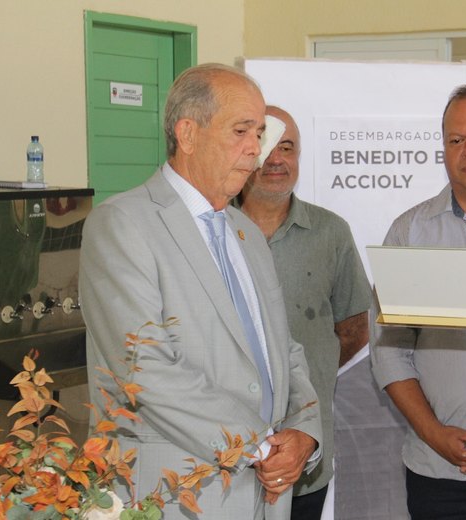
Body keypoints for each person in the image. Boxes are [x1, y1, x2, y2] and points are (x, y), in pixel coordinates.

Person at [80, 63, 323, 520]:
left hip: (266, 491)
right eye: (242, 131)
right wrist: (259, 446)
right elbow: (145, 367)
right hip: (173, 494)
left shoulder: (245, 232)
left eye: (260, 133)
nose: (257, 150)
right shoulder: (122, 224)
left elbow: (284, 350)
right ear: (187, 134)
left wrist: (304, 434)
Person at [370, 83, 466, 520]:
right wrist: (434, 434)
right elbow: (389, 351)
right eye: (457, 140)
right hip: (438, 473)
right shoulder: (410, 233)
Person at [233, 105, 372, 520]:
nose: (276, 159)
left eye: (288, 148)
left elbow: (353, 329)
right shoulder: (214, 230)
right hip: (225, 447)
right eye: (266, 146)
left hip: (305, 446)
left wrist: (310, 372)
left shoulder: (331, 232)